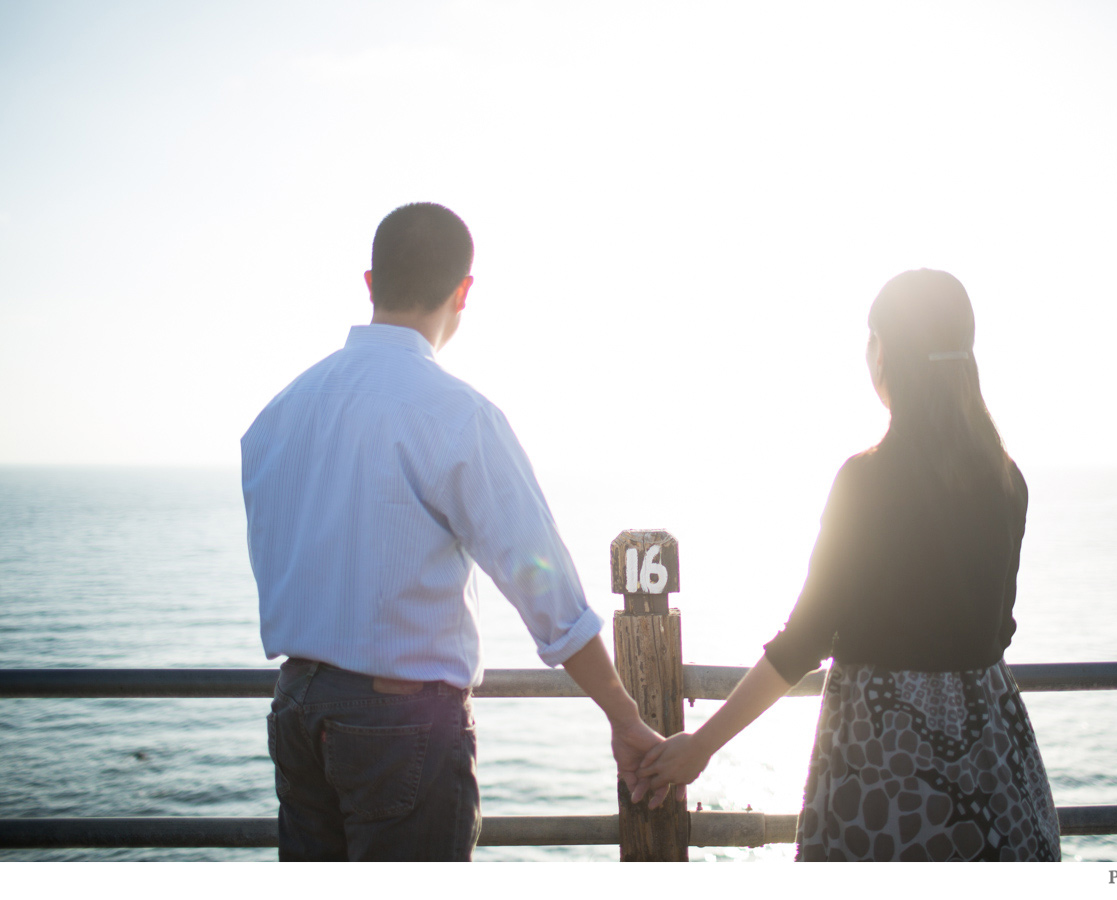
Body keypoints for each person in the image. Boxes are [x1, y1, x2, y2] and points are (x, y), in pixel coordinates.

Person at [242, 202, 662, 861]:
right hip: (401, 723)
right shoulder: (456, 415)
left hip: (296, 706)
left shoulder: (278, 414)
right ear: (463, 291)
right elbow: (540, 580)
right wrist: (623, 715)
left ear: (370, 282)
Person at [635, 269, 1061, 861]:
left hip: (884, 763)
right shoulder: (1005, 479)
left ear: (886, 354)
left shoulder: (867, 479)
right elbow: (999, 629)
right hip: (995, 760)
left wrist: (702, 745)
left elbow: (804, 639)